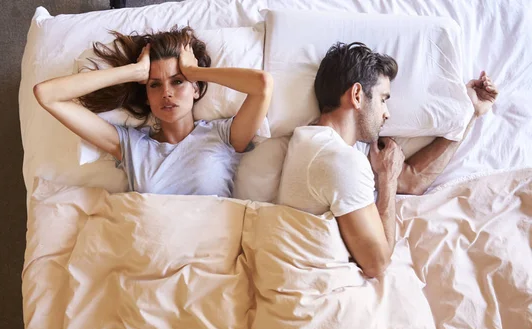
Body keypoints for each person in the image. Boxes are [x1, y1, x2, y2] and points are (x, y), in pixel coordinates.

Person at [278, 42, 498, 278]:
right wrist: (386, 180)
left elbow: (412, 181)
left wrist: (470, 112)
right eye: (383, 99)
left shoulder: (315, 140)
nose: (387, 113)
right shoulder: (339, 160)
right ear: (357, 95)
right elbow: (378, 263)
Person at [34, 27, 273, 197]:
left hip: (209, 257)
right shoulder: (131, 145)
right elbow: (47, 95)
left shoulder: (224, 136)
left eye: (177, 82)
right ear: (147, 98)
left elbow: (262, 85)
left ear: (196, 90)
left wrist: (194, 71)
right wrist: (134, 72)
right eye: (155, 85)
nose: (166, 93)